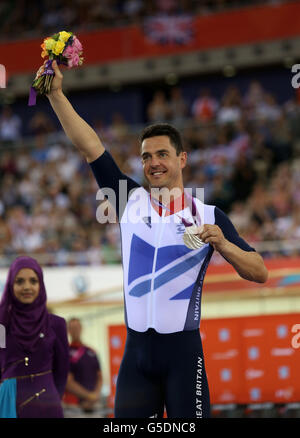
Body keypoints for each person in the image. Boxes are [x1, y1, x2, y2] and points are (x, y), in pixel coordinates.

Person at [44, 60, 268, 418]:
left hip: (183, 356)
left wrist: (223, 244)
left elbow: (260, 271)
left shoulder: (210, 216)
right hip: (137, 357)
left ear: (182, 158)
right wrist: (56, 94)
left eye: (162, 154)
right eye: (146, 156)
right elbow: (91, 148)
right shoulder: (128, 201)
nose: (153, 163)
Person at [0, 256, 69, 418]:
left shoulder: (56, 324)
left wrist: (54, 397)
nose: (27, 287)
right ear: (10, 285)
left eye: (33, 281)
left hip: (48, 403)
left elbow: (62, 370)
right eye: (19, 281)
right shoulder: (2, 324)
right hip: (9, 402)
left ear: (41, 285)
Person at [63, 318, 102, 414]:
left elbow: (99, 377)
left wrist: (95, 395)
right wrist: (89, 396)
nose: (75, 330)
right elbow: (68, 382)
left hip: (93, 404)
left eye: (77, 327)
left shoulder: (91, 351)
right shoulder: (65, 352)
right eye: (72, 328)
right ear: (68, 330)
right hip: (74, 405)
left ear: (81, 328)